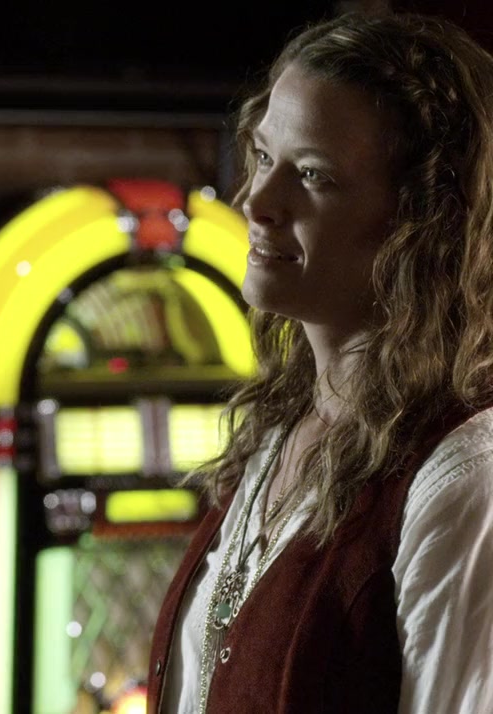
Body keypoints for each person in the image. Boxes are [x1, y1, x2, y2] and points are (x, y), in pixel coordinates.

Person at [146, 11, 493, 714]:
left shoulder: (465, 480)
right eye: (263, 156)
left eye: (312, 175)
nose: (257, 202)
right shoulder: (282, 426)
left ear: (421, 222)